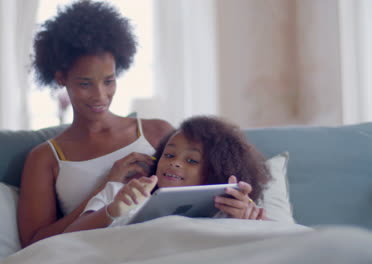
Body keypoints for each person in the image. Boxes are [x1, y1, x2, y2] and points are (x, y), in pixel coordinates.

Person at [17, 0, 261, 248]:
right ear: (61, 78)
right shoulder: (44, 159)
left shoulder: (157, 132)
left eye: (109, 81)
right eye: (85, 84)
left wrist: (244, 207)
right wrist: (104, 188)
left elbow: (208, 180)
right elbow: (34, 246)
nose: (100, 95)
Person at [64, 116, 272, 233]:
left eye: (191, 160)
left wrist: (251, 222)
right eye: (170, 154)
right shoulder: (120, 192)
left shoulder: (223, 209)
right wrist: (112, 210)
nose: (175, 163)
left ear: (216, 171)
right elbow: (69, 236)